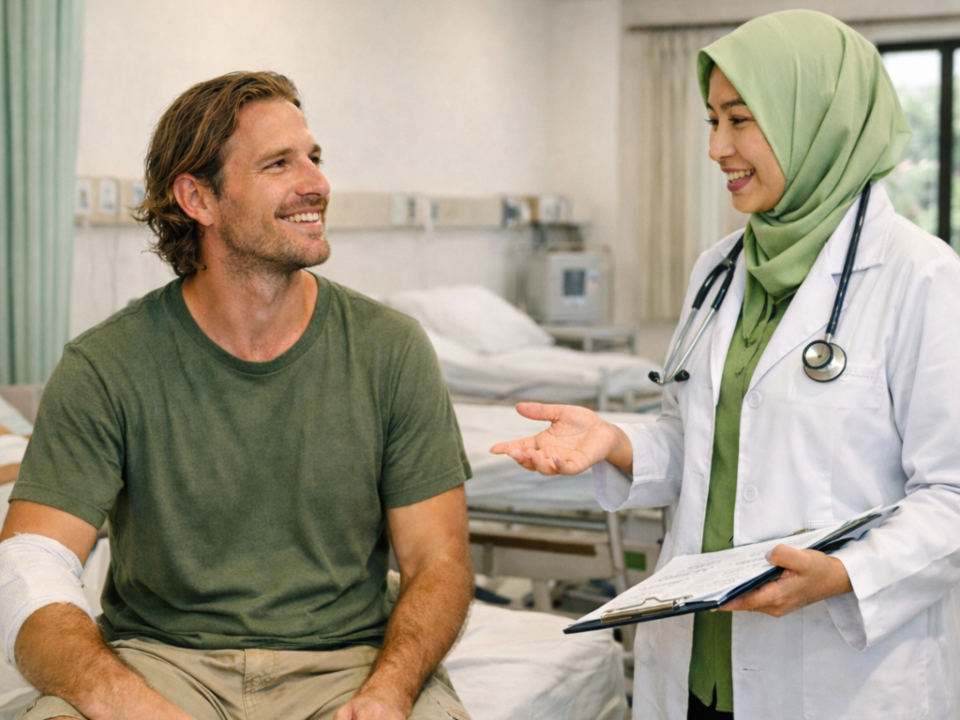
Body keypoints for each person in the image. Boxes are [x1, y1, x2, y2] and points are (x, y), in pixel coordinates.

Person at [492, 10, 960, 720]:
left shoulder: (921, 278)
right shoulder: (719, 270)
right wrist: (616, 442)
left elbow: (951, 498)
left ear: (817, 120)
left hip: (838, 673)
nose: (716, 147)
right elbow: (695, 441)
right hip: (700, 662)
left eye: (739, 120)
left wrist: (843, 575)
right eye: (711, 121)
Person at [0, 71, 474, 720]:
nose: (317, 183)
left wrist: (388, 691)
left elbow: (438, 563)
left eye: (314, 158)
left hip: (347, 662)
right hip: (159, 662)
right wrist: (130, 703)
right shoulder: (105, 365)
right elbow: (31, 564)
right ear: (198, 198)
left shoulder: (390, 350)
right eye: (279, 164)